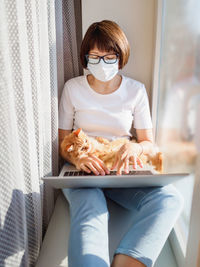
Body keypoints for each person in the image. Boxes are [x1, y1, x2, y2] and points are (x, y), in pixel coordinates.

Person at [58, 20, 184, 267]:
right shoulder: (73, 88)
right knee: (91, 215)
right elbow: (63, 141)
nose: (102, 63)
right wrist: (77, 159)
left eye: (109, 56)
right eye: (95, 56)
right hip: (84, 171)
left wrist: (135, 146)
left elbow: (148, 142)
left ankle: (127, 262)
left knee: (170, 199)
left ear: (121, 56)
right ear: (85, 58)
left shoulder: (136, 91)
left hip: (122, 171)